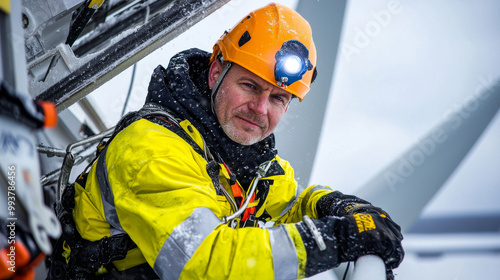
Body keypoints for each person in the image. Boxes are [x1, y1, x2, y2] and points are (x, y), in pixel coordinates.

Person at [46, 3, 404, 280]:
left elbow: (289, 202)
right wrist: (337, 239)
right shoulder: (150, 149)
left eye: (278, 98)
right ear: (216, 71)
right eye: (249, 86)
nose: (260, 109)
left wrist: (341, 207)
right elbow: (203, 263)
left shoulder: (238, 155)